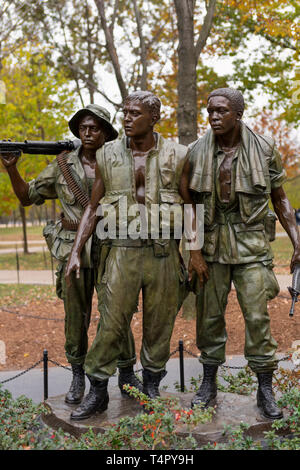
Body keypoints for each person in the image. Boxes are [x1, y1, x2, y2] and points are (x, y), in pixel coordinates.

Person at [0, 104, 141, 405]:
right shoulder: (63, 164)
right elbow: (27, 197)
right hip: (72, 249)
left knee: (117, 312)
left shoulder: (119, 162)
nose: (87, 132)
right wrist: (12, 168)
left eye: (94, 127)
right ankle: (78, 374)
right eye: (82, 128)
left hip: (110, 245)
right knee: (75, 316)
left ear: (105, 132)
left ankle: (128, 373)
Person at [65, 91, 193, 420]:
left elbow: (191, 207)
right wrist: (76, 251)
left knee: (159, 324)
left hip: (163, 253)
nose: (126, 118)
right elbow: (93, 207)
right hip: (121, 251)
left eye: (135, 113)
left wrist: (194, 254)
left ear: (154, 118)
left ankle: (151, 384)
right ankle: (97, 391)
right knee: (111, 323)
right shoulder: (107, 154)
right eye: (125, 112)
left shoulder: (178, 154)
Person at [186, 88, 300, 419]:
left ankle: (265, 387)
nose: (213, 117)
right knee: (209, 316)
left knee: (257, 316)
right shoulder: (196, 151)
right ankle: (208, 383)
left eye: (221, 111)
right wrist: (193, 252)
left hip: (250, 243)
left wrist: (297, 240)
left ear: (238, 114)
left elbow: (280, 199)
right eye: (210, 111)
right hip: (210, 244)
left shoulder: (264, 149)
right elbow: (189, 205)